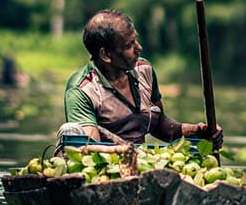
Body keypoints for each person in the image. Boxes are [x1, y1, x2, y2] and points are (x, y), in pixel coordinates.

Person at [60, 9, 223, 148]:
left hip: (141, 162)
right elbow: (92, 150)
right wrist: (128, 154)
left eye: (135, 40)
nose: (139, 48)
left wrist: (198, 131)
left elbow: (159, 125)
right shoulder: (82, 90)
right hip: (104, 165)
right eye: (129, 45)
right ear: (106, 55)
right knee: (70, 130)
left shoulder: (144, 70)